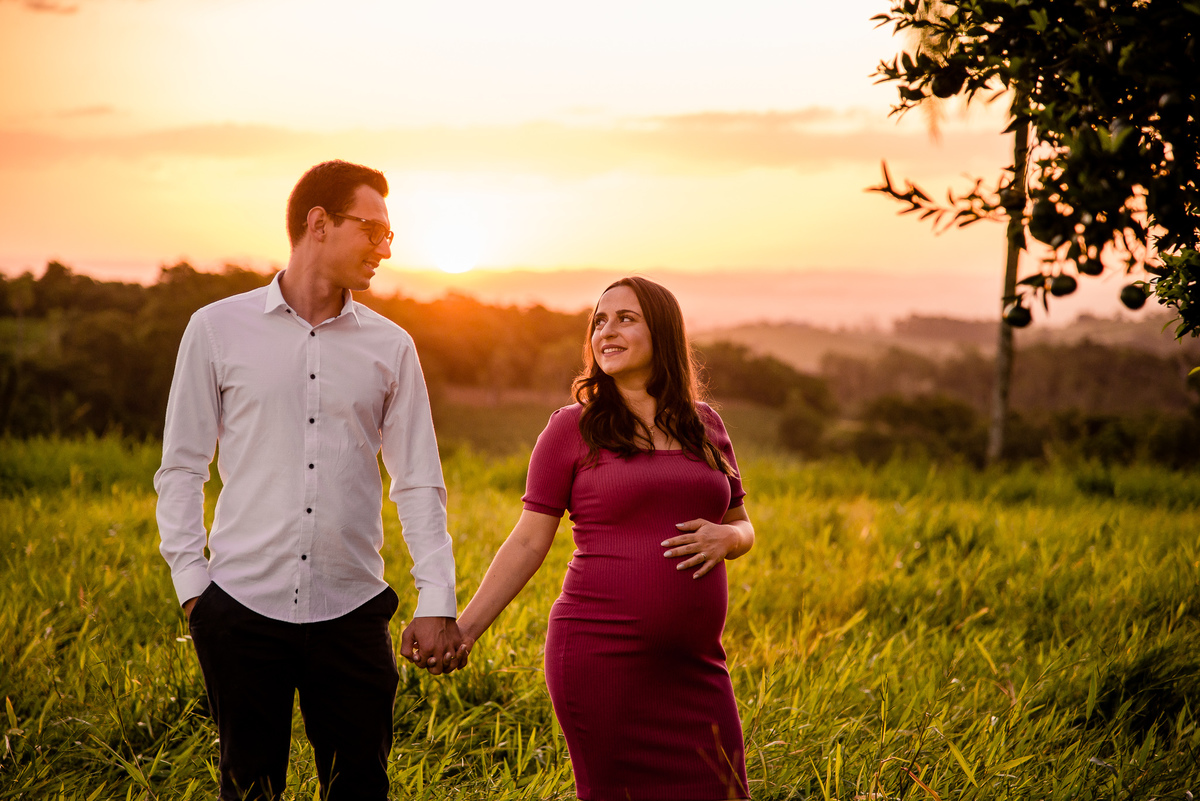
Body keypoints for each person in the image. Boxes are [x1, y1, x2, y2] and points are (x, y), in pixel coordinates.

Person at [155, 160, 466, 801]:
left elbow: (418, 481)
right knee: (249, 790)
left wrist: (437, 598)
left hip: (352, 614)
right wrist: (194, 589)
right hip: (239, 612)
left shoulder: (392, 346)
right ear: (318, 223)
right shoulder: (215, 330)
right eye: (373, 230)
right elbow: (182, 466)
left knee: (361, 789)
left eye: (389, 234)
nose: (386, 248)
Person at [456, 276, 754, 800]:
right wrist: (465, 631)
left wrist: (727, 540)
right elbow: (528, 542)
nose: (605, 332)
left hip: (697, 668)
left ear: (661, 332)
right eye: (598, 321)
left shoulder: (705, 425)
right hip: (601, 660)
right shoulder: (572, 428)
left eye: (625, 319)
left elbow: (743, 524)